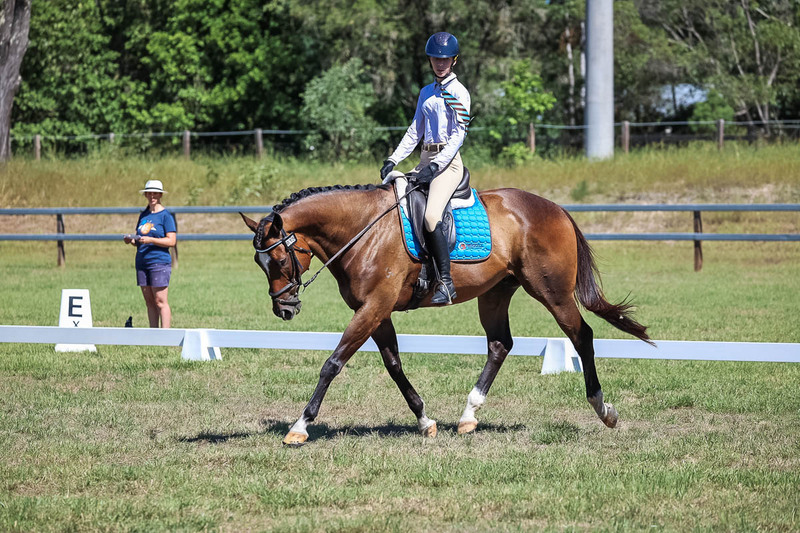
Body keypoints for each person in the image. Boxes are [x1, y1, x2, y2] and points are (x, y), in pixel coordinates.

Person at [380, 31, 471, 305]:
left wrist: (438, 164)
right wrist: (394, 159)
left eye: (445, 59)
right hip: (424, 160)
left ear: (454, 60)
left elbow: (459, 135)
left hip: (448, 164)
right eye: (435, 59)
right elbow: (414, 131)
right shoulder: (426, 93)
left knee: (431, 217)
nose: (440, 64)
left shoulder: (459, 93)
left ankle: (446, 281)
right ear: (430, 60)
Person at [123, 180, 177, 328]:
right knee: (149, 302)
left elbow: (172, 241)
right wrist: (131, 240)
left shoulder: (166, 216)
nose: (152, 196)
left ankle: (165, 335)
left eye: (155, 193)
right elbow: (139, 239)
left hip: (159, 261)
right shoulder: (144, 215)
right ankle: (153, 334)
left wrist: (151, 240)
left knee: (160, 301)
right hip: (142, 262)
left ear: (160, 195)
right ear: (146, 195)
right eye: (149, 193)